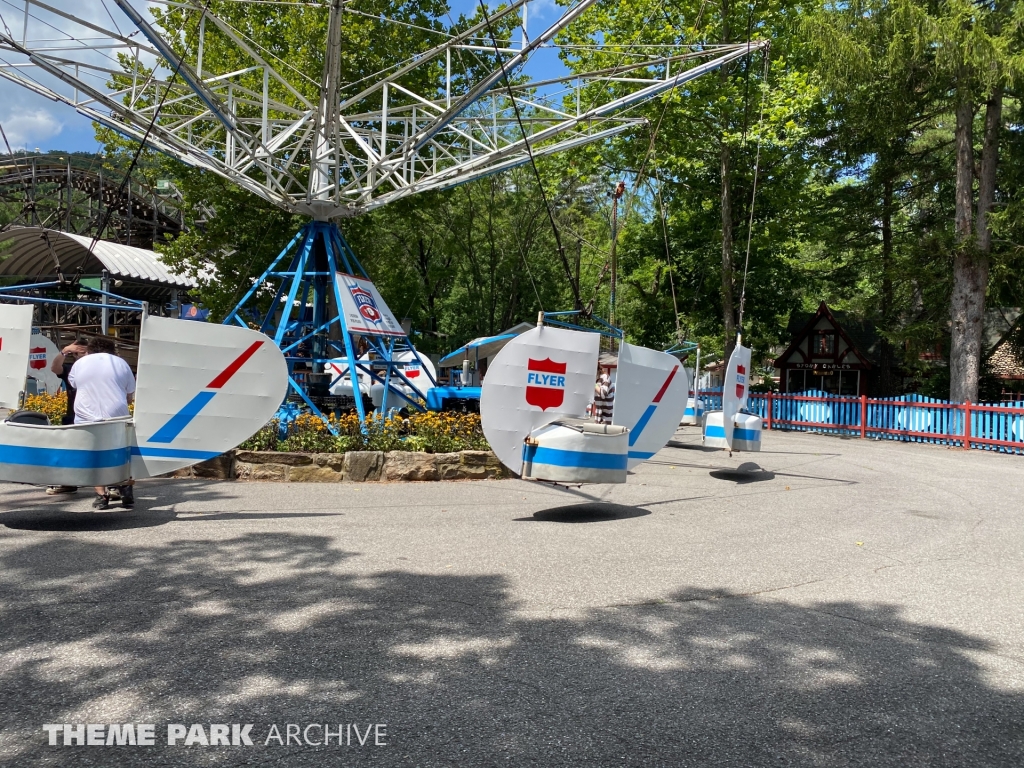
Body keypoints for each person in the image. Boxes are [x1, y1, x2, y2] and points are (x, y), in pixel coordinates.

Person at [67, 336, 137, 509]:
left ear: (90, 349)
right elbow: (130, 393)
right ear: (112, 350)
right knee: (122, 452)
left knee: (94, 454)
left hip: (86, 414)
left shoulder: (80, 363)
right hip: (117, 412)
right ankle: (126, 489)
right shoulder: (121, 363)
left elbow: (74, 384)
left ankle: (101, 496)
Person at [45, 338, 90, 495]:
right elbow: (55, 368)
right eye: (77, 353)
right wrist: (64, 351)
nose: (81, 356)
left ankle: (112, 486)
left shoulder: (97, 368)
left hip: (93, 415)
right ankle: (68, 482)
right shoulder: (72, 369)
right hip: (73, 415)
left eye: (84, 352)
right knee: (68, 449)